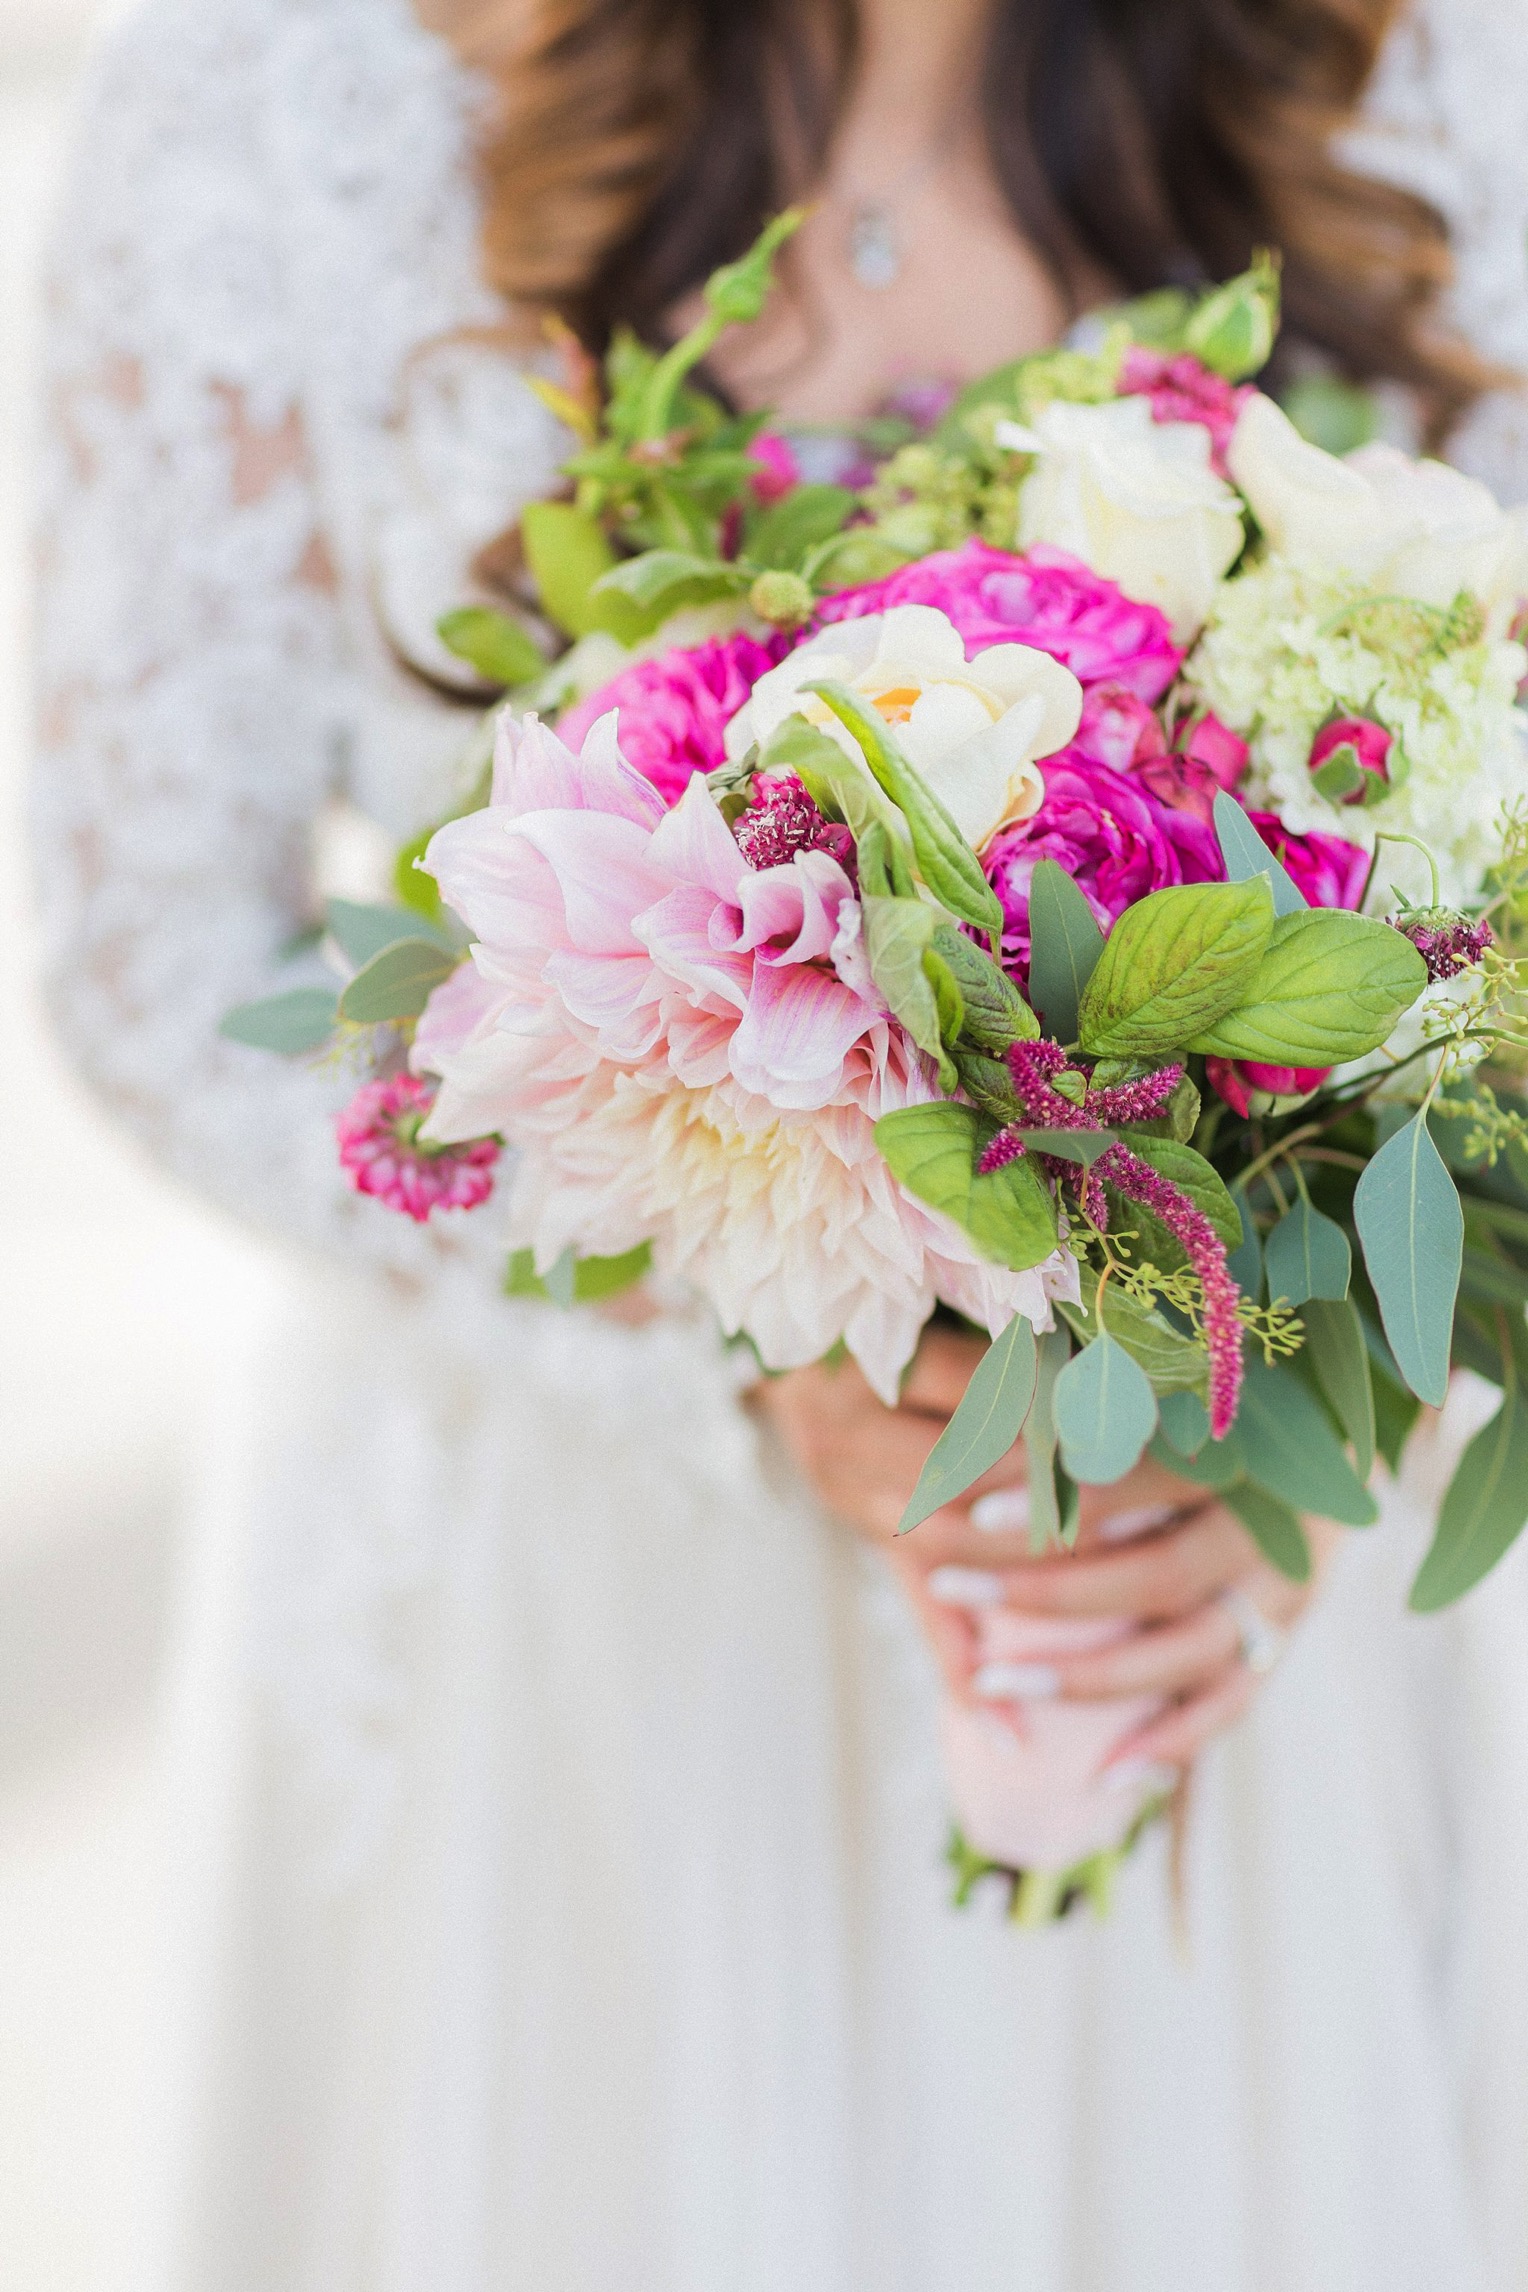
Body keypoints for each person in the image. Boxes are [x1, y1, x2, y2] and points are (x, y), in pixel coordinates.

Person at [31, 0, 1528, 2283]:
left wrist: (1309, 1402)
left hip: (1198, 1612)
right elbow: (156, 964)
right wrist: (737, 1320)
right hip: (577, 1637)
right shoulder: (270, 101)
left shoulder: (1432, 85)